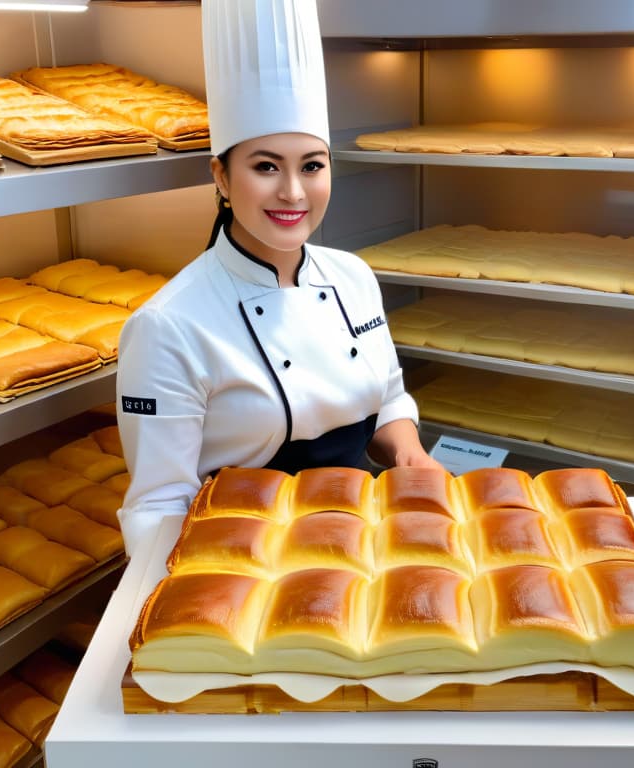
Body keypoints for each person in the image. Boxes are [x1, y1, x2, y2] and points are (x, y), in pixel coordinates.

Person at [115, 0, 441, 557]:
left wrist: (410, 455)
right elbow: (161, 504)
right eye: (266, 166)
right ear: (220, 174)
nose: (293, 192)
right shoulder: (168, 326)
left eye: (312, 165)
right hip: (241, 556)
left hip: (360, 534)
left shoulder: (354, 277)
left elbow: (388, 400)